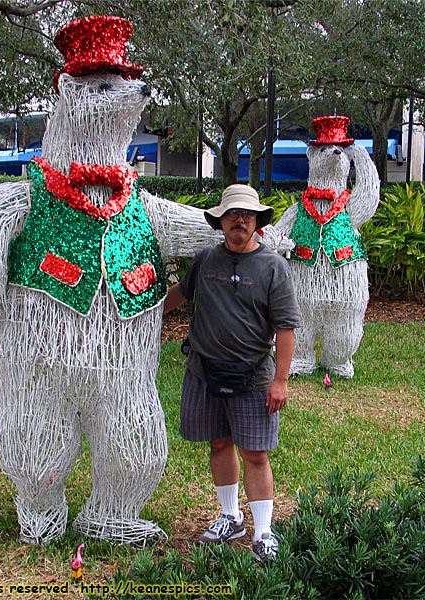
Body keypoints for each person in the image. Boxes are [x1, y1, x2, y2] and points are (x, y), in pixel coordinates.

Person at [164, 184, 302, 561]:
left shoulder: (274, 267)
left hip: (253, 377)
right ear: (220, 221)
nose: (239, 220)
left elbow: (286, 327)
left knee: (255, 453)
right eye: (231, 214)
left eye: (246, 214)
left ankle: (263, 532)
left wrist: (281, 380)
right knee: (219, 444)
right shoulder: (206, 260)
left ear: (257, 221)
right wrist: (146, 312)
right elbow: (181, 293)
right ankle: (230, 516)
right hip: (203, 371)